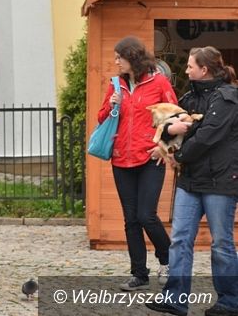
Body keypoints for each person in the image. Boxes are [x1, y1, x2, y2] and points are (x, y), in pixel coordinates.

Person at [146, 46, 238, 316]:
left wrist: (178, 154)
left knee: (221, 244)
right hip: (190, 180)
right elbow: (166, 126)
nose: (186, 71)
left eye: (190, 66)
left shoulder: (228, 97)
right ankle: (175, 299)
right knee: (180, 239)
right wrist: (169, 131)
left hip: (220, 181)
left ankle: (230, 302)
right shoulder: (189, 97)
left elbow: (208, 136)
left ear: (204, 69)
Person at [96, 36, 177, 291]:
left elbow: (175, 118)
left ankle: (167, 260)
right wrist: (112, 106)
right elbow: (101, 118)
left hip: (149, 159)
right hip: (121, 159)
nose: (116, 61)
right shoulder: (116, 85)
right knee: (131, 220)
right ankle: (139, 274)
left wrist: (163, 147)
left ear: (132, 57)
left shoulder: (158, 83)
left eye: (119, 57)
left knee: (146, 215)